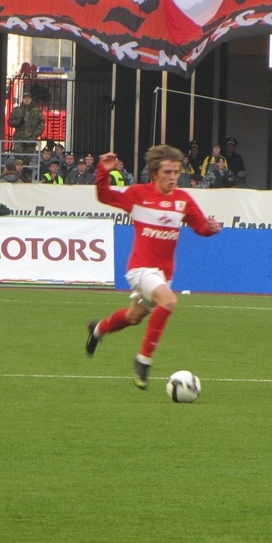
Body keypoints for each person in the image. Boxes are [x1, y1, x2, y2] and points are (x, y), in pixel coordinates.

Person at [85, 147, 221, 390]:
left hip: (164, 275)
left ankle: (97, 330)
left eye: (176, 172)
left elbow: (200, 227)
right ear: (154, 173)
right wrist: (103, 171)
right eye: (167, 172)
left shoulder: (183, 200)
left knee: (133, 317)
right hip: (140, 269)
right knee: (169, 302)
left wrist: (211, 228)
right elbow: (104, 195)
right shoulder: (138, 194)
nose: (173, 177)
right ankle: (143, 360)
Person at [8, 92, 45, 158]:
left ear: (31, 99)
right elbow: (10, 122)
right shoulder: (17, 110)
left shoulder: (36, 111)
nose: (27, 100)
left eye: (28, 98)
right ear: (22, 99)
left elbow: (42, 123)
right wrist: (18, 122)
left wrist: (35, 134)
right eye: (25, 98)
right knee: (18, 157)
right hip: (19, 138)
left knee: (28, 158)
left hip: (31, 138)